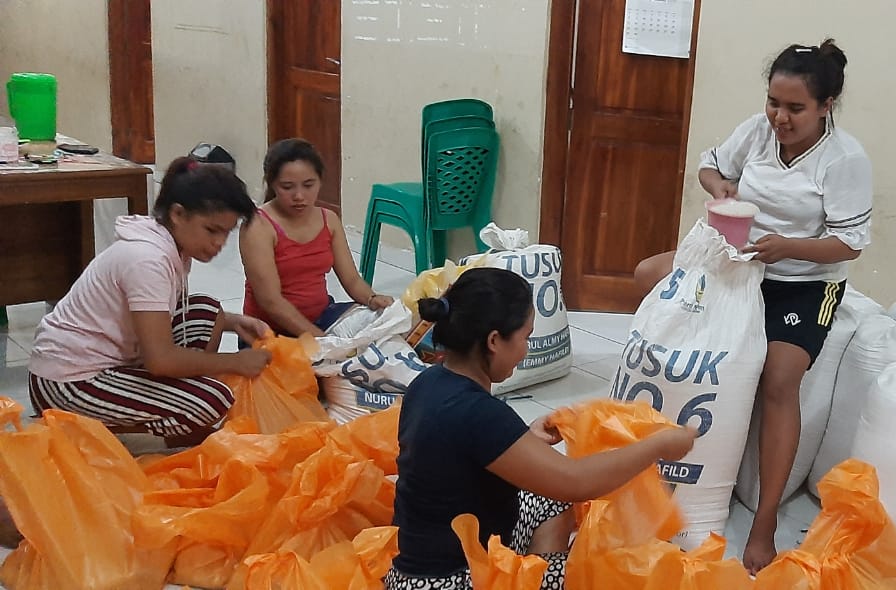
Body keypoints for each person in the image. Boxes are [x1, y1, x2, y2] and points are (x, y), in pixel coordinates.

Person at [633, 39, 871, 573]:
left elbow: (849, 244)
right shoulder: (758, 130)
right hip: (741, 260)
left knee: (780, 378)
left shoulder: (844, 160)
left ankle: (763, 523)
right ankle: (644, 451)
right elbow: (710, 168)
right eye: (773, 103)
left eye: (795, 108)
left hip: (804, 280)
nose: (780, 118)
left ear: (826, 106)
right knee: (648, 277)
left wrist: (787, 246)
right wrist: (724, 194)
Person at [386, 268, 697, 590]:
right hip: (449, 580)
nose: (527, 349)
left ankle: (531, 576)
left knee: (550, 504)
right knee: (606, 575)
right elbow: (575, 482)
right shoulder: (479, 413)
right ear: (494, 340)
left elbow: (459, 449)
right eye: (525, 337)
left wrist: (525, 440)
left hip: (413, 567)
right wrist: (657, 446)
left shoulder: (428, 382)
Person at [26, 156, 272, 449]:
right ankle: (120, 432)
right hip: (66, 383)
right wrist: (235, 363)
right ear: (178, 214)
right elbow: (161, 360)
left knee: (208, 311)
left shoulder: (169, 244)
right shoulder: (147, 260)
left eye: (226, 234)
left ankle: (170, 415)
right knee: (211, 399)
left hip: (112, 359)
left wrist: (233, 322)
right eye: (212, 230)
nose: (219, 244)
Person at [240, 138, 394, 338]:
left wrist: (372, 299)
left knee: (388, 326)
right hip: (271, 331)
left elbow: (352, 280)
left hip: (322, 318)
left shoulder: (328, 220)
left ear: (320, 181)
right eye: (287, 187)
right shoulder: (258, 226)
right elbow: (271, 302)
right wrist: (319, 340)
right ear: (272, 185)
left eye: (308, 185)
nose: (299, 196)